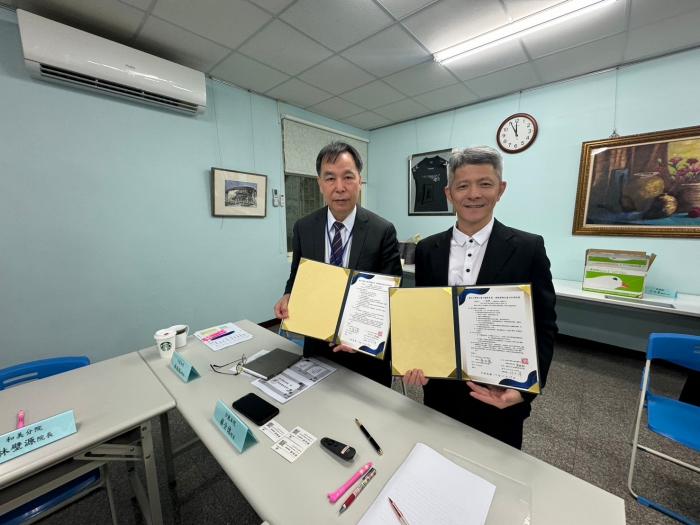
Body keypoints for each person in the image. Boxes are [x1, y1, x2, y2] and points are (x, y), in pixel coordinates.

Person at [403, 146, 557, 449]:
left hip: (499, 394)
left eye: (485, 184)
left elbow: (544, 326)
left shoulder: (528, 248)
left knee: (495, 470)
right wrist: (416, 360)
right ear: (449, 193)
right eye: (463, 186)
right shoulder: (428, 250)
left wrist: (525, 390)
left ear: (501, 189)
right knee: (436, 458)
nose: (473, 194)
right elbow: (425, 317)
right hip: (440, 391)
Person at [274, 141, 402, 386]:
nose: (340, 187)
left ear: (360, 180)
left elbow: (390, 294)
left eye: (348, 177)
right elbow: (297, 274)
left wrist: (362, 335)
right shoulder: (304, 227)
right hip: (317, 344)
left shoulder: (382, 230)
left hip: (364, 352)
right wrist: (288, 294)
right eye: (330, 178)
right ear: (320, 183)